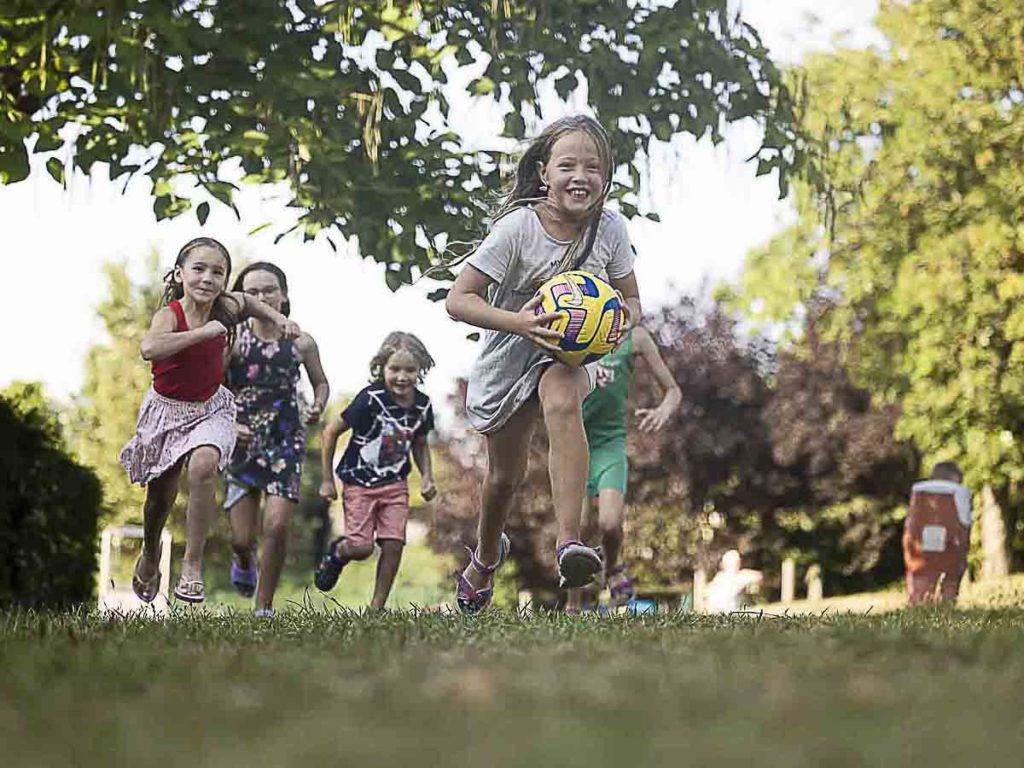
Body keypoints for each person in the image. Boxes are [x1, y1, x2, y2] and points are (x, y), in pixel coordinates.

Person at [445, 114, 642, 614]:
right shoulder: (518, 228)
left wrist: (619, 322)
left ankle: (570, 543)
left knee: (561, 399)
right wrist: (519, 322)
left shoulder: (611, 228)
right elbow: (459, 300)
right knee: (503, 479)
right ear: (543, 174)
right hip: (511, 348)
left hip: (566, 355)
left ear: (606, 177)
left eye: (593, 167)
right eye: (568, 165)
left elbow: (632, 299)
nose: (582, 176)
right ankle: (486, 558)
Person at [120, 237, 300, 604]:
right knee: (160, 497)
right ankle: (151, 553)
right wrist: (203, 334)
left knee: (205, 464)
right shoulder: (170, 314)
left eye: (218, 272)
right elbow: (149, 348)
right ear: (180, 273)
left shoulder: (227, 305)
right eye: (199, 269)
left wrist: (278, 318)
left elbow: (248, 301)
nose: (207, 278)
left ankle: (192, 566)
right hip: (168, 410)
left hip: (210, 407)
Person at [223, 262, 329, 616]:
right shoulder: (232, 339)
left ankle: (263, 607)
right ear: (241, 299)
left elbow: (321, 383)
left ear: (283, 296)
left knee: (277, 524)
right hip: (241, 437)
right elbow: (216, 388)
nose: (262, 297)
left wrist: (317, 405)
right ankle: (242, 559)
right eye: (252, 292)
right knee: (242, 538)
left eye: (269, 289)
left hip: (285, 438)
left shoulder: (301, 342)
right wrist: (227, 422)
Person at [314, 332, 436, 610]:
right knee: (361, 547)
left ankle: (376, 607)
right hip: (359, 482)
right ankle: (338, 554)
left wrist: (427, 476)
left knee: (393, 544)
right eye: (394, 369)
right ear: (381, 367)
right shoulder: (370, 399)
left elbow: (419, 442)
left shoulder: (423, 405)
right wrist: (326, 480)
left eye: (410, 370)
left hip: (395, 484)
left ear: (420, 370)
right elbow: (331, 431)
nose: (402, 377)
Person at [566, 326, 681, 612]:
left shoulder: (635, 337)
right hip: (574, 443)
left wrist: (662, 410)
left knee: (610, 522)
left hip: (610, 445)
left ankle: (613, 566)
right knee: (575, 530)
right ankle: (573, 604)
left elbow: (673, 390)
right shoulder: (572, 328)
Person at [903, 461, 972, 604]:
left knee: (920, 576)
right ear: (955, 479)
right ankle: (947, 602)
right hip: (951, 542)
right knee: (951, 576)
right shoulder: (960, 493)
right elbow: (965, 524)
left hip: (919, 544)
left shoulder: (918, 494)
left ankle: (918, 602)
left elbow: (910, 524)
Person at [704, 549, 763, 613]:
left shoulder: (722, 577)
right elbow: (758, 576)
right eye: (736, 562)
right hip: (722, 611)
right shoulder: (727, 577)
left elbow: (758, 576)